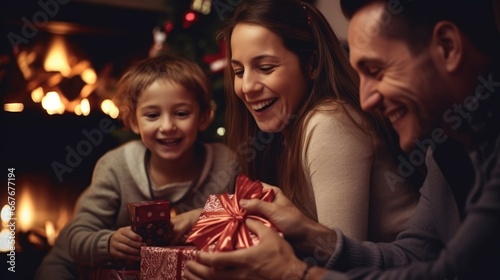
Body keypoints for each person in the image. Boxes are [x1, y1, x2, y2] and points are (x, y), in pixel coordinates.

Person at [184, 0, 500, 279]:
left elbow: (449, 272)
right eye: (238, 71)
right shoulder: (444, 150)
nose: (365, 100)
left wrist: (295, 272)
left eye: (377, 70)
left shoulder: (329, 121)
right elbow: (413, 257)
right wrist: (309, 234)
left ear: (447, 47)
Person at [219, 0, 420, 243]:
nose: (247, 87)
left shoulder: (330, 122)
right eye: (239, 72)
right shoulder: (283, 134)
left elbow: (339, 259)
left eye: (265, 67)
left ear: (312, 64)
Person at [36, 54, 240, 279]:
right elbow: (74, 238)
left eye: (181, 114)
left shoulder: (226, 165)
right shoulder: (116, 167)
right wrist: (109, 243)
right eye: (152, 115)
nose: (167, 126)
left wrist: (208, 216)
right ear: (133, 121)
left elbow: (251, 216)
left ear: (203, 117)